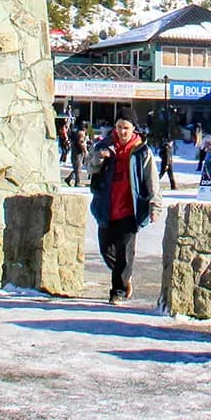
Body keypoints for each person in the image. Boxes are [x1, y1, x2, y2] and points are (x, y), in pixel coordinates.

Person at [90, 114, 160, 303]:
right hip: (107, 208)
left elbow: (152, 180)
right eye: (119, 127)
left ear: (133, 129)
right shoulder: (104, 146)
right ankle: (124, 275)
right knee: (106, 250)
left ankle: (118, 292)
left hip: (131, 210)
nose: (122, 131)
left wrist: (154, 205)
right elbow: (90, 169)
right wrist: (99, 158)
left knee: (125, 254)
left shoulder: (142, 151)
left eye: (126, 128)